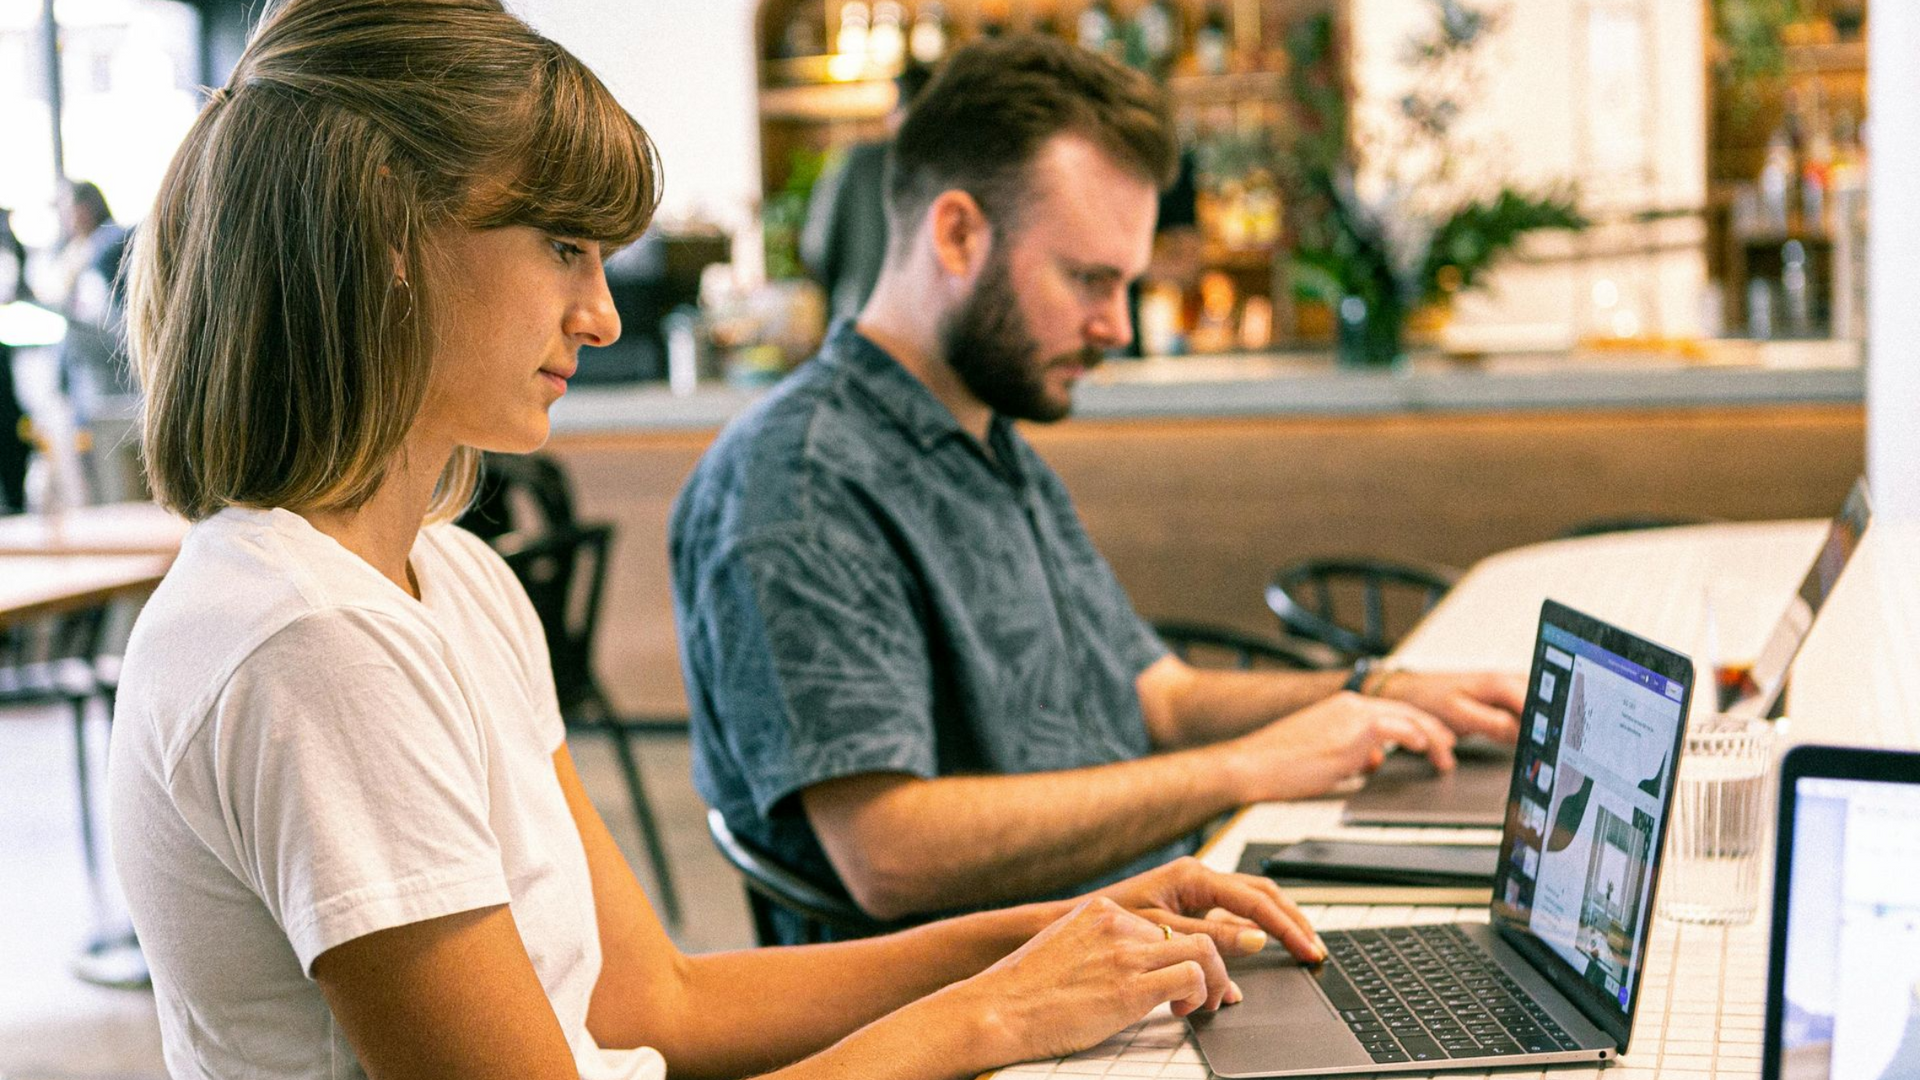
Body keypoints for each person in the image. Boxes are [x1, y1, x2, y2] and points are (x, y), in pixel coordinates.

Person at [108, 3, 1326, 1078]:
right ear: (389, 242)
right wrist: (991, 1016)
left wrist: (1062, 926)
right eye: (562, 248)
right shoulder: (311, 643)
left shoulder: (453, 578)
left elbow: (655, 1003)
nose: (601, 314)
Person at [671, 33, 1525, 943]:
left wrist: (1375, 692)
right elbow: (889, 853)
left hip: (1136, 933)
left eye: (1126, 283)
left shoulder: (988, 437)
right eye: (1087, 278)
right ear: (957, 232)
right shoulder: (800, 482)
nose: (1116, 325)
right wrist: (1242, 770)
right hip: (986, 1013)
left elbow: (1158, 698)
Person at [799, 61, 934, 324]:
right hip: (928, 332)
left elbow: (816, 247)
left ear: (894, 112)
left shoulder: (858, 162)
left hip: (860, 321)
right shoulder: (952, 166)